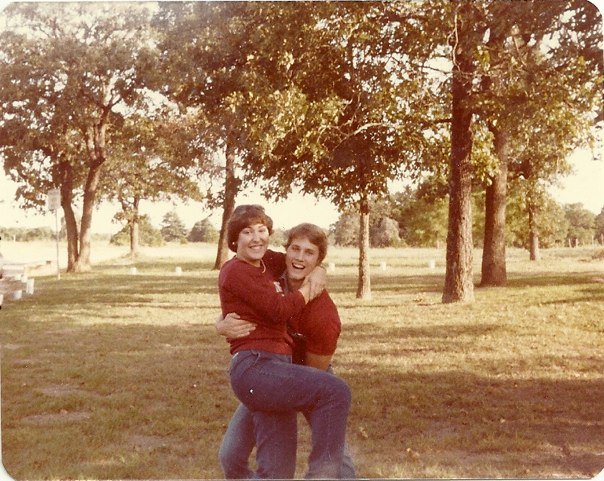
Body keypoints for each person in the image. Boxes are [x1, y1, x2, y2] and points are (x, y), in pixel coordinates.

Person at [218, 205, 352, 479]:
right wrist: (219, 324)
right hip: (263, 366)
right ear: (286, 251)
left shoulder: (324, 316)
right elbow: (254, 295)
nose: (299, 258)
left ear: (318, 260)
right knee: (233, 458)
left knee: (330, 413)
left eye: (309, 254)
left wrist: (319, 274)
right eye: (295, 249)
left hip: (300, 367)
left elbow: (315, 369)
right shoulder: (269, 263)